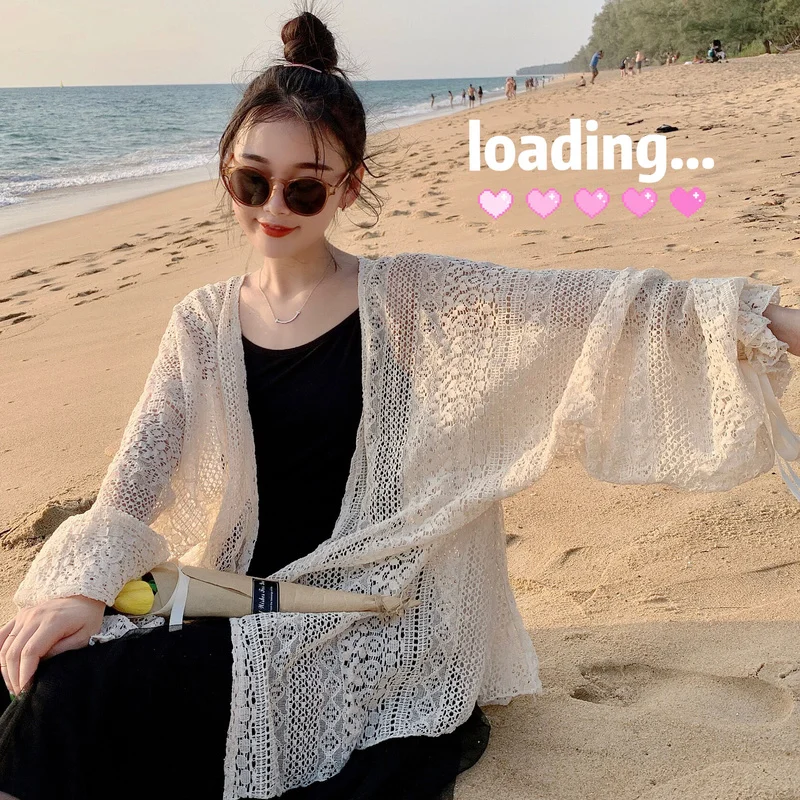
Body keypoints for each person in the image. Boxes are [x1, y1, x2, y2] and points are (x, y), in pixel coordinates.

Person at [3, 6, 800, 800]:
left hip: (374, 615)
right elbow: (134, 480)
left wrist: (765, 319)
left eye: (304, 189)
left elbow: (593, 309)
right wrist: (80, 589)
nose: (273, 208)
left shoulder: (413, 298)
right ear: (226, 170)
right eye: (252, 180)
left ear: (349, 187)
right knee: (26, 661)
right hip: (238, 595)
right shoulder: (199, 322)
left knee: (70, 699)